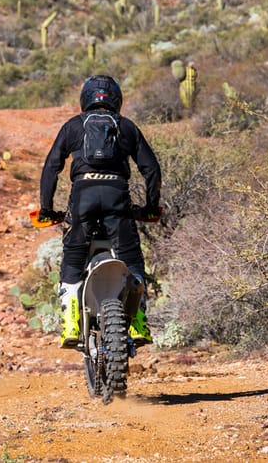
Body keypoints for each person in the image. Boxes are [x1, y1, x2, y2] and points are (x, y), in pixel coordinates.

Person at [38, 74, 162, 347]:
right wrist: (151, 207)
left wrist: (46, 209)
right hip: (117, 196)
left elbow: (51, 168)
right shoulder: (126, 127)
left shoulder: (73, 126)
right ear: (117, 101)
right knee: (132, 262)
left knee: (72, 261)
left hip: (82, 196)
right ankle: (138, 323)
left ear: (85, 99)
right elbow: (151, 169)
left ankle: (70, 323)